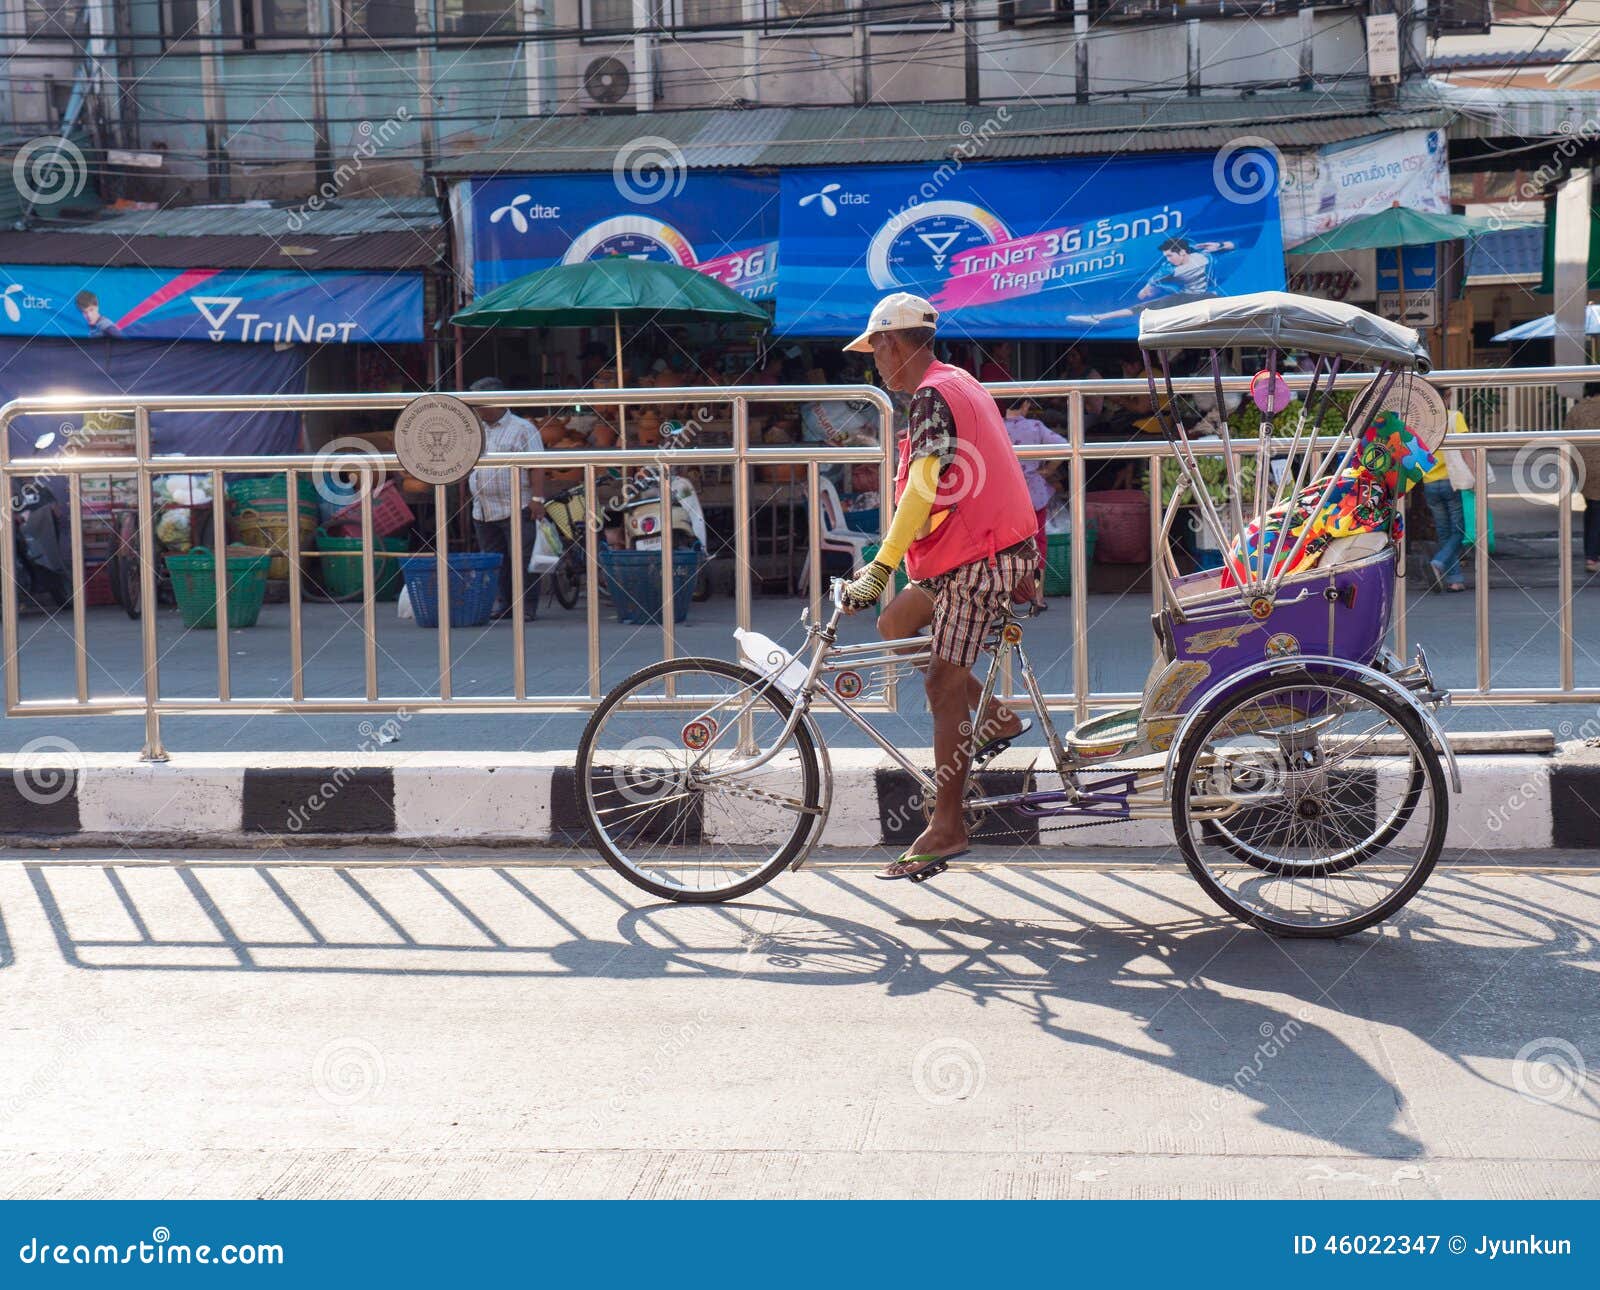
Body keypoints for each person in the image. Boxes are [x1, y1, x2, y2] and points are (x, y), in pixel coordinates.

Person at [836, 292, 1040, 883]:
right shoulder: (958, 381)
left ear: (892, 343)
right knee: (895, 624)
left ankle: (947, 826)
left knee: (942, 682)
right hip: (977, 549)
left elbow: (920, 489)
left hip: (985, 556)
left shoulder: (931, 396)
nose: (874, 361)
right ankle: (997, 717)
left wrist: (879, 565)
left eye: (874, 349)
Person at [466, 376, 546, 620]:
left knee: (521, 559)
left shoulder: (523, 428)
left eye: (479, 404)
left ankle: (527, 607)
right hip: (484, 508)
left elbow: (538, 465)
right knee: (495, 560)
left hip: (517, 504)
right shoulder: (475, 429)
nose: (476, 410)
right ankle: (505, 604)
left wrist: (538, 499)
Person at [1004, 397, 1068, 611]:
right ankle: (1038, 596)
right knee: (1037, 545)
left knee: (1005, 545)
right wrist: (1048, 470)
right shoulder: (1035, 427)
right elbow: (1063, 446)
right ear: (1025, 406)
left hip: (1004, 496)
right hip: (1033, 495)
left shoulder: (995, 426)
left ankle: (1004, 597)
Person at [1421, 408, 1472, 594]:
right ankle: (1438, 562)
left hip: (1430, 482)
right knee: (1461, 530)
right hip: (1453, 481)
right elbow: (1465, 448)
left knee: (1444, 532)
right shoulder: (1454, 416)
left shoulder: (1424, 419)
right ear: (1448, 395)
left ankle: (1454, 580)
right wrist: (1474, 474)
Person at [1564, 386, 1600, 575]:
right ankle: (1593, 555)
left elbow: (1566, 439)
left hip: (1584, 468)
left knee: (1593, 509)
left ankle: (1591, 556)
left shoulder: (1576, 410)